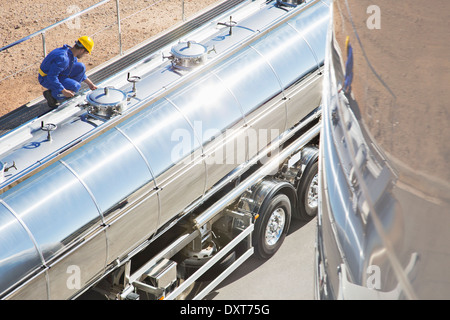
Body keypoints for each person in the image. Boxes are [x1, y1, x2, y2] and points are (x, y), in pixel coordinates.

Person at [38, 36, 98, 108]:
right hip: (46, 78)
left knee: (81, 67)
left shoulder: (71, 53)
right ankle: (52, 95)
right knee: (76, 86)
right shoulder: (63, 58)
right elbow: (52, 77)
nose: (85, 55)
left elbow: (78, 70)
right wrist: (63, 90)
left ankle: (70, 90)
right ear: (82, 50)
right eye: (86, 52)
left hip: (58, 74)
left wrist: (90, 84)